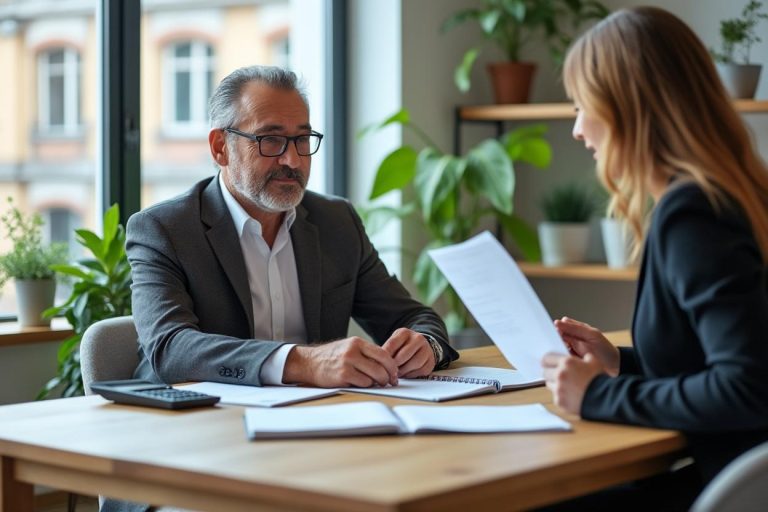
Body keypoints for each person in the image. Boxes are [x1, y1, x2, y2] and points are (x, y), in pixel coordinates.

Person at [540, 6, 768, 510]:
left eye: (582, 106)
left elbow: (747, 385)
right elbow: (725, 354)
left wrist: (597, 396)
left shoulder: (693, 212)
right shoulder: (737, 193)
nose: (578, 129)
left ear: (627, 108)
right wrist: (619, 361)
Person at [126, 65, 457, 389]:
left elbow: (414, 318)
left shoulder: (336, 221)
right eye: (271, 140)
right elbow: (169, 349)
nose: (293, 161)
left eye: (302, 139)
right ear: (220, 148)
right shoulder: (164, 230)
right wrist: (302, 363)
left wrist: (426, 345)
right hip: (201, 426)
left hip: (316, 421)